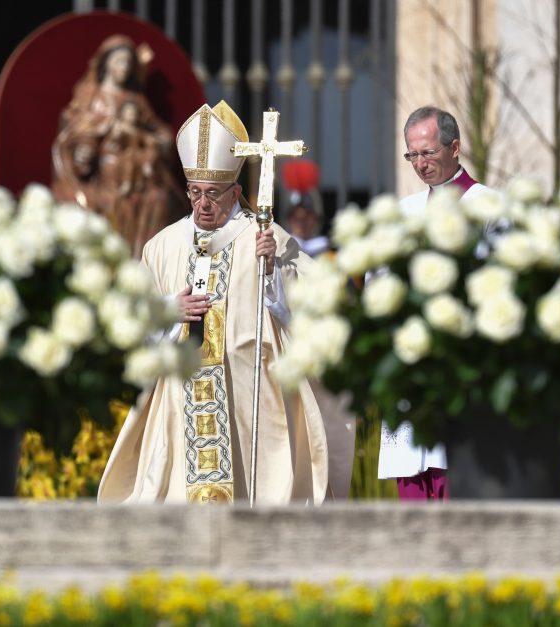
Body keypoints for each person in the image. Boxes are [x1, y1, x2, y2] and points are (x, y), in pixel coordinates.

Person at [99, 101, 354, 504]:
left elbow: (316, 301)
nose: (203, 204)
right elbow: (131, 322)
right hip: (181, 400)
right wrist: (170, 311)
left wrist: (274, 270)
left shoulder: (264, 237)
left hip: (252, 400)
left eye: (214, 193)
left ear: (235, 191)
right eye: (196, 192)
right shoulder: (162, 247)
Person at [377, 105, 494, 501]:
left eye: (428, 153)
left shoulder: (488, 207)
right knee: (413, 490)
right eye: (412, 155)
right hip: (411, 373)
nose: (420, 164)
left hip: (462, 368)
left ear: (455, 147)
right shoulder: (404, 213)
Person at [51, 35, 189, 257]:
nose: (124, 67)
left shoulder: (136, 100)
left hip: (136, 170)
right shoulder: (92, 97)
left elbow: (156, 128)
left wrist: (158, 139)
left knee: (159, 198)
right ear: (106, 64)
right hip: (103, 170)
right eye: (118, 61)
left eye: (128, 63)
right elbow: (73, 128)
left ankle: (146, 259)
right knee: (110, 200)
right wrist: (101, 131)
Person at [280, 160, 330, 258]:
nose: (302, 224)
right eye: (297, 219)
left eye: (307, 218)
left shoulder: (326, 249)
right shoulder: (281, 248)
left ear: (315, 219)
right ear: (289, 219)